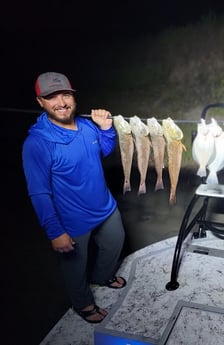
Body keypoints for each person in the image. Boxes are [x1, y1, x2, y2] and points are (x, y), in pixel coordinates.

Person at [22, 72, 127, 323]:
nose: (61, 102)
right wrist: (55, 232)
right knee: (74, 267)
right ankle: (83, 304)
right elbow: (39, 193)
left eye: (65, 94)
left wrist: (106, 129)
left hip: (106, 207)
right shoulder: (37, 144)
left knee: (115, 242)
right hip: (72, 219)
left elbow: (102, 149)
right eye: (51, 97)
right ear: (40, 102)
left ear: (73, 97)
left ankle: (102, 277)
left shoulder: (87, 124)